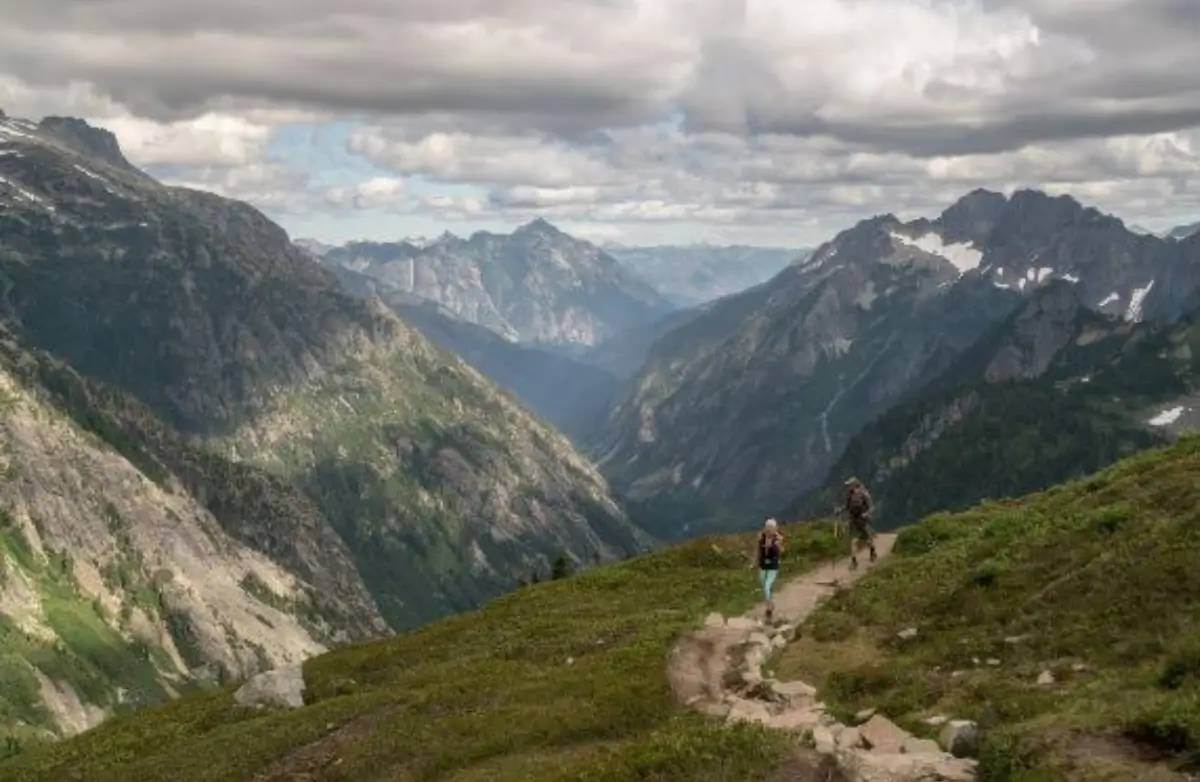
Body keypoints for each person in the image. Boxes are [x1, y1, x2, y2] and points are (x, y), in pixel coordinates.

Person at [752, 518, 784, 622]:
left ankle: (769, 608)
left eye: (771, 528)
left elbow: (781, 551)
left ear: (775, 529)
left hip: (773, 567)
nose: (769, 530)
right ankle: (770, 604)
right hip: (762, 566)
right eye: (767, 527)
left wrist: (778, 545)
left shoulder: (777, 539)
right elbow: (757, 551)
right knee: (764, 586)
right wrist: (753, 562)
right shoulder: (761, 537)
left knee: (767, 586)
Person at [842, 477, 877, 570]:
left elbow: (871, 507)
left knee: (867, 538)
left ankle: (872, 551)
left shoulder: (864, 493)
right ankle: (854, 561)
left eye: (849, 485)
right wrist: (840, 510)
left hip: (862, 519)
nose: (848, 487)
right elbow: (846, 506)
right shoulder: (849, 495)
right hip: (853, 519)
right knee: (853, 540)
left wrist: (866, 514)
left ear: (854, 484)